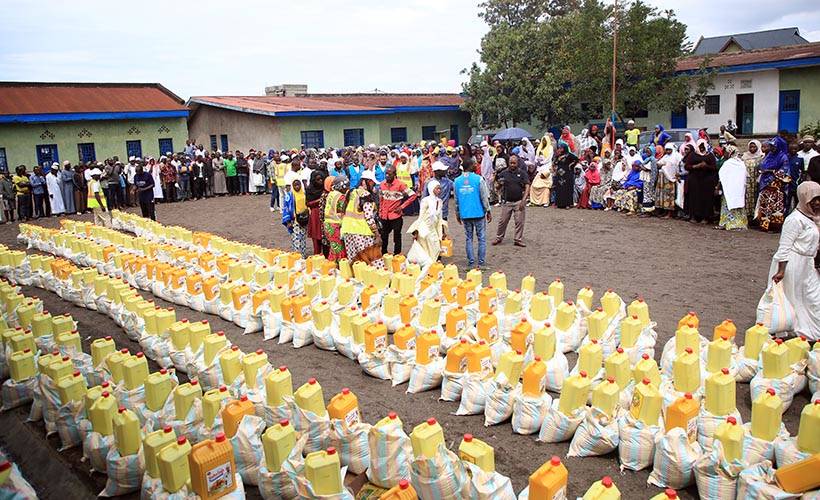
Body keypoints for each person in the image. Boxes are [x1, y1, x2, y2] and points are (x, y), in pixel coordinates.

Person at [769, 181, 820, 339]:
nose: (817, 203)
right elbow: (784, 246)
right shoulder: (795, 220)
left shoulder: (813, 218)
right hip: (793, 264)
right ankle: (793, 329)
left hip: (808, 264)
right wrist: (781, 271)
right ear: (804, 199)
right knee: (793, 298)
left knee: (813, 297)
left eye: (819, 199)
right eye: (813, 200)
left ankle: (812, 329)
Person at [341, 169, 384, 267]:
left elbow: (343, 211)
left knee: (356, 263)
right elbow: (369, 217)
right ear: (367, 182)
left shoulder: (351, 192)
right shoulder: (366, 195)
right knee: (372, 261)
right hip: (362, 234)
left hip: (348, 232)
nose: (373, 186)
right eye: (373, 183)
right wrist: (377, 235)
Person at [454, 159, 491, 269]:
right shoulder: (479, 179)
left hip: (465, 214)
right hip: (478, 212)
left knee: (469, 238)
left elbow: (456, 200)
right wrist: (488, 210)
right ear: (470, 166)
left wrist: (457, 213)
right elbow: (484, 197)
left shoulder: (457, 181)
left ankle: (471, 262)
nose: (476, 165)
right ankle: (481, 263)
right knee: (481, 238)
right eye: (474, 164)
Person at [377, 165, 417, 255]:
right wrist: (380, 211)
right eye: (386, 174)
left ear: (394, 174)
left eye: (389, 174)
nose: (387, 176)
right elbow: (381, 199)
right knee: (384, 236)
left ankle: (397, 254)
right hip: (384, 216)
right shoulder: (382, 184)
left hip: (396, 216)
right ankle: (384, 253)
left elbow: (413, 195)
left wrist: (402, 207)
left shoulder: (400, 184)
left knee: (397, 236)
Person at [491, 154, 529, 247]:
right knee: (502, 221)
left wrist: (524, 200)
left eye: (514, 163)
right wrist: (497, 183)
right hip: (507, 201)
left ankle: (518, 239)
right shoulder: (503, 173)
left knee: (519, 221)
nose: (512, 165)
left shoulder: (522, 173)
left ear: (517, 163)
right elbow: (497, 187)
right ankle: (499, 237)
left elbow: (527, 186)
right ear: (508, 163)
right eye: (511, 163)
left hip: (518, 201)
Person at [755, 136, 791, 231]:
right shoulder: (769, 155)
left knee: (776, 207)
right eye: (771, 146)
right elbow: (761, 165)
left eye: (774, 146)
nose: (772, 148)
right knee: (765, 205)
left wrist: (771, 171)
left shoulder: (783, 157)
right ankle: (764, 225)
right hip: (766, 185)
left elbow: (785, 171)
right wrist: (762, 169)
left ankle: (775, 227)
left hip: (777, 185)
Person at [407, 179, 447, 262]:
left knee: (435, 247)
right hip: (425, 229)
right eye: (437, 188)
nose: (439, 190)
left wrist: (442, 231)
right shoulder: (425, 201)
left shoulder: (439, 201)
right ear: (431, 189)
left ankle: (432, 265)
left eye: (439, 188)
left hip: (434, 229)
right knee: (426, 249)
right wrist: (416, 230)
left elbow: (440, 218)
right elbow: (421, 217)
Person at [684, 139, 718, 224]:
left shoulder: (710, 155)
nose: (702, 148)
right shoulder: (693, 155)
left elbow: (714, 168)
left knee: (706, 199)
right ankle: (694, 216)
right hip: (695, 180)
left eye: (703, 147)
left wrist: (706, 166)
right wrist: (696, 166)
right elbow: (687, 166)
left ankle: (705, 217)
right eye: (700, 146)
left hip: (707, 181)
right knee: (694, 198)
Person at [716, 145, 748, 230]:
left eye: (726, 152)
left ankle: (728, 223)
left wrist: (718, 187)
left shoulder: (727, 163)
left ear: (730, 153)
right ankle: (738, 223)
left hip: (729, 189)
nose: (724, 154)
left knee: (728, 204)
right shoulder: (741, 163)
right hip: (738, 190)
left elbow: (722, 177)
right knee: (737, 205)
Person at [281, 175, 308, 258]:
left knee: (303, 239)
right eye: (295, 185)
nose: (297, 186)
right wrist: (288, 221)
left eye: (298, 184)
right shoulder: (289, 196)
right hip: (295, 221)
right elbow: (286, 208)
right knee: (296, 239)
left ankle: (303, 256)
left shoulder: (304, 194)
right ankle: (297, 257)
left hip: (304, 220)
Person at [323, 176, 348, 263]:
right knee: (339, 249)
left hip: (328, 225)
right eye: (347, 186)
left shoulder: (331, 193)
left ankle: (330, 266)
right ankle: (337, 269)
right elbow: (343, 211)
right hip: (335, 225)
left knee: (334, 248)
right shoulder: (341, 197)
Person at [305, 170, 326, 255]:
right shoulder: (310, 190)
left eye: (321, 179)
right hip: (315, 215)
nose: (320, 181)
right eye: (318, 179)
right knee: (316, 240)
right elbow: (308, 203)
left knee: (326, 240)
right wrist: (320, 200)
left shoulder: (325, 189)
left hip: (324, 214)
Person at [741, 140, 763, 221]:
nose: (752, 148)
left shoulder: (761, 156)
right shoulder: (744, 156)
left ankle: (755, 216)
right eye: (751, 147)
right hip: (747, 181)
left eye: (754, 147)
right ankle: (747, 216)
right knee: (747, 197)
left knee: (755, 197)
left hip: (756, 181)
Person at [655, 143, 679, 217]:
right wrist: (662, 165)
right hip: (662, 177)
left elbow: (675, 166)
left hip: (670, 178)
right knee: (662, 194)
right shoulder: (665, 156)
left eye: (669, 150)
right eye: (667, 150)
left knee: (669, 195)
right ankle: (664, 211)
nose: (668, 151)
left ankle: (670, 212)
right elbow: (659, 163)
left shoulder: (676, 156)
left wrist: (664, 165)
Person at [553, 142, 578, 209]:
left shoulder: (569, 155)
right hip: (559, 174)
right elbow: (555, 162)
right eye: (559, 148)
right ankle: (559, 204)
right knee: (559, 188)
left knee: (567, 189)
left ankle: (568, 204)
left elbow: (576, 159)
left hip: (567, 174)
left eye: (561, 148)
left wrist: (571, 165)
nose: (560, 149)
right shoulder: (558, 155)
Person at [530, 137, 553, 207]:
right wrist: (538, 161)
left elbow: (549, 158)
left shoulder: (550, 148)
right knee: (534, 185)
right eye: (543, 140)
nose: (544, 142)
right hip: (539, 168)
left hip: (546, 168)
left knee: (545, 186)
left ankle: (545, 201)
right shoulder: (540, 148)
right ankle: (534, 201)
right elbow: (536, 157)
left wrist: (542, 162)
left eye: (545, 140)